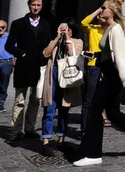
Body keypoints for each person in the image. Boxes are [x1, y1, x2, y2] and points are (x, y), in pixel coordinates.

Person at [74, 0, 125, 167]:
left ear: (112, 11)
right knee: (112, 113)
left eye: (103, 8)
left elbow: (122, 56)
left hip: (113, 76)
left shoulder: (116, 29)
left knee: (95, 111)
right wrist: (94, 56)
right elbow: (108, 54)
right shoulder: (109, 28)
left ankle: (93, 154)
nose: (101, 10)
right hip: (109, 74)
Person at [5, 0, 53, 142]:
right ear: (29, 5)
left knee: (35, 100)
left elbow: (49, 43)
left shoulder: (45, 24)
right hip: (23, 66)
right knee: (20, 99)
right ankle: (16, 129)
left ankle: (30, 129)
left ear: (42, 6)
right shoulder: (18, 23)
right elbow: (9, 45)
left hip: (40, 67)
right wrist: (21, 53)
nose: (36, 7)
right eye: (33, 5)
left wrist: (46, 58)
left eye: (38, 5)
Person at [40, 18, 83, 156]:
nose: (66, 32)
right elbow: (46, 53)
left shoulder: (77, 41)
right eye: (64, 29)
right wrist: (58, 37)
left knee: (64, 109)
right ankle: (46, 141)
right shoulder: (56, 41)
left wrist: (68, 38)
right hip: (53, 74)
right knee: (49, 108)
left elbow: (72, 54)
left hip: (67, 77)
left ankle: (61, 139)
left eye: (68, 29)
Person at [79, 7, 109, 133]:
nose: (103, 16)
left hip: (106, 64)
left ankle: (98, 122)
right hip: (94, 65)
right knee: (89, 97)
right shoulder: (92, 29)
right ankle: (85, 128)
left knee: (102, 96)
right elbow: (83, 23)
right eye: (101, 16)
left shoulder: (110, 30)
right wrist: (98, 10)